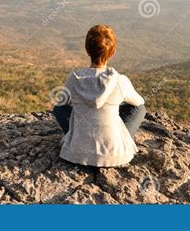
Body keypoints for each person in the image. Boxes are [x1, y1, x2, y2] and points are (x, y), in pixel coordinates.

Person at [53, 24, 146, 167]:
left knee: (59, 107)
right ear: (113, 52)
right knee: (139, 109)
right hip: (115, 155)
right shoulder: (120, 81)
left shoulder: (74, 78)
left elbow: (62, 103)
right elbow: (140, 102)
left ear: (87, 50)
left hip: (78, 153)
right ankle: (117, 138)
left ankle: (78, 137)